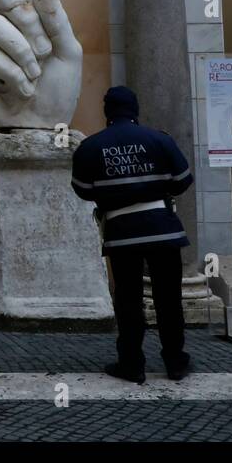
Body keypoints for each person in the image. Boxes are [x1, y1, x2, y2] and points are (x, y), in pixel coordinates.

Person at [71, 86, 194, 383]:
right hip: (163, 231)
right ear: (135, 110)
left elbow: (83, 191)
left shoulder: (91, 147)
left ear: (107, 112)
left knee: (128, 300)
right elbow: (182, 180)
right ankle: (175, 362)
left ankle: (131, 364)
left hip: (122, 235)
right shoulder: (160, 140)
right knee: (168, 298)